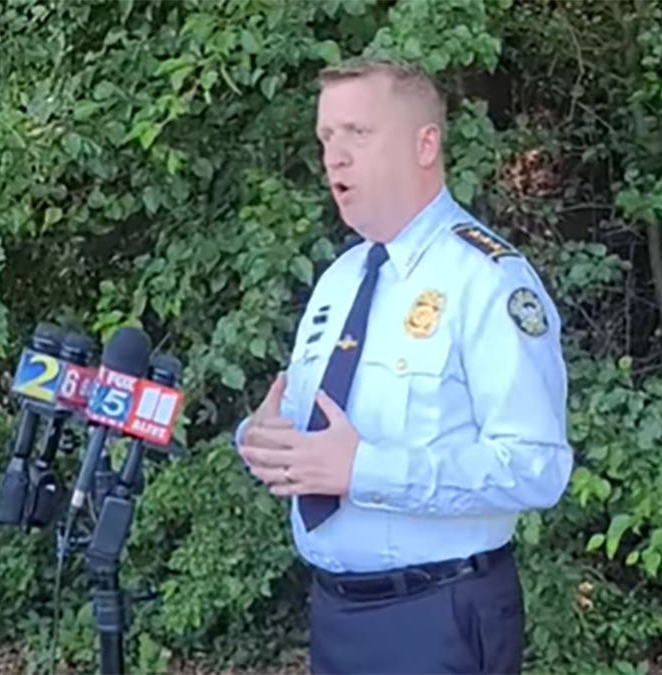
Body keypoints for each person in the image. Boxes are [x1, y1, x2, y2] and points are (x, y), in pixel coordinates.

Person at [234, 56, 574, 675]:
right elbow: (310, 428)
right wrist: (261, 439)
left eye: (357, 134)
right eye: (326, 138)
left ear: (425, 145)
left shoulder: (488, 281)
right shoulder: (340, 280)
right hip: (334, 614)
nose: (334, 156)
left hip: (438, 616)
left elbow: (536, 467)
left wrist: (366, 469)